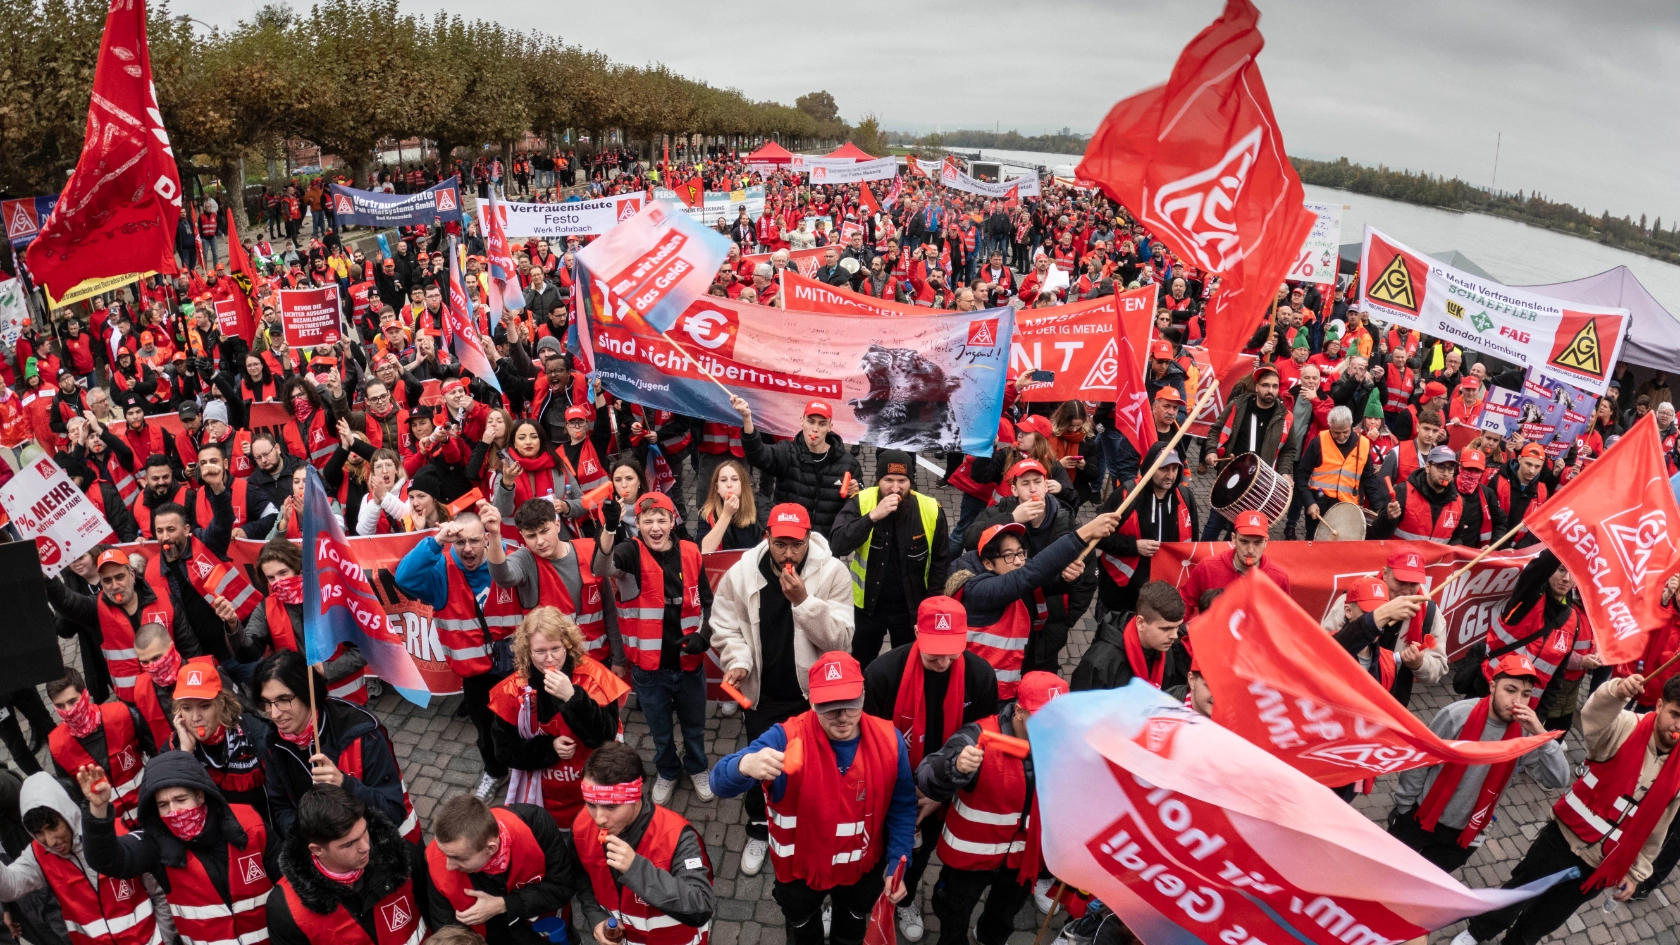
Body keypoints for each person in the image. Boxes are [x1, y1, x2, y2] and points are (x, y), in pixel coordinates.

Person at [1454, 674, 1680, 945]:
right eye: (1675, 714)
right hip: (1562, 839)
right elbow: (1594, 718)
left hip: (1600, 865)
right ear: (1658, 706)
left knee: (1545, 920)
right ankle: (1477, 933)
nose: (1678, 726)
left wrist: (1635, 873)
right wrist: (1615, 691)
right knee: (1518, 893)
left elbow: (1658, 827)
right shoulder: (1627, 726)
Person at [708, 652, 916, 945]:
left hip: (860, 873)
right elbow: (718, 783)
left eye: (850, 703)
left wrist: (898, 863)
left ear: (863, 694)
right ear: (811, 701)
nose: (842, 715)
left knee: (850, 935)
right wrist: (743, 766)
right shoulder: (784, 738)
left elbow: (903, 806)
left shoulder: (890, 740)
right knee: (804, 935)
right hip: (799, 878)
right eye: (829, 706)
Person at [709, 500, 853, 874]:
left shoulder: (834, 573)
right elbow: (724, 626)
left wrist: (804, 602)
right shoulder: (741, 574)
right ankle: (759, 828)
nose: (789, 553)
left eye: (797, 544)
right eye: (780, 543)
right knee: (765, 766)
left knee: (815, 764)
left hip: (814, 698)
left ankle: (809, 822)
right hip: (764, 695)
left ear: (809, 538)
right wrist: (738, 662)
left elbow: (841, 643)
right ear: (767, 537)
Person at [859, 596, 997, 943]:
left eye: (953, 650)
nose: (944, 660)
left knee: (920, 851)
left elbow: (984, 744)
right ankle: (857, 900)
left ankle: (906, 894)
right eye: (934, 650)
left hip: (942, 793)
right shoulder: (882, 674)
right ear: (917, 631)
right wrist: (900, 799)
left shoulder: (980, 677)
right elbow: (866, 746)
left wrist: (939, 796)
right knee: (868, 848)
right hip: (887, 787)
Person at [916, 672, 1066, 945]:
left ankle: (988, 938)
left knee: (1003, 916)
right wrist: (955, 767)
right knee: (954, 916)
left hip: (1022, 861)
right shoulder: (977, 735)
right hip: (969, 861)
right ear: (1020, 711)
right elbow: (926, 775)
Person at [1388, 655, 1568, 874]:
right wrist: (1405, 806)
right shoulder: (1457, 715)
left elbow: (1557, 779)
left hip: (1464, 834)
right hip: (1420, 816)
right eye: (1510, 690)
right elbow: (1421, 760)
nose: (1518, 702)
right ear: (1492, 686)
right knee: (1388, 870)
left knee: (1423, 884)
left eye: (1526, 694)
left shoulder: (1524, 735)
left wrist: (1541, 735)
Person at [79, 752, 279, 945]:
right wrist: (98, 810)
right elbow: (106, 859)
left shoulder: (250, 825)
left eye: (181, 800)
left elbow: (287, 882)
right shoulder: (155, 844)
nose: (173, 812)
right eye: (163, 804)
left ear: (200, 796)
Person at [594, 493, 713, 807]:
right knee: (660, 732)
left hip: (690, 664)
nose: (655, 526)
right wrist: (608, 528)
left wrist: (706, 634)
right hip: (649, 671)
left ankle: (698, 767)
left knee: (694, 727)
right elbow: (601, 566)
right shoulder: (630, 552)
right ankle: (668, 771)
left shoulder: (690, 551)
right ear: (638, 524)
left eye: (662, 519)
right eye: (648, 520)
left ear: (674, 521)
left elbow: (709, 602)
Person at [395, 506, 519, 798]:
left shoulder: (509, 559)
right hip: (476, 676)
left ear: (487, 539)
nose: (467, 548)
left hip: (516, 668)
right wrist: (437, 541)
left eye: (474, 541)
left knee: (524, 725)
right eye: (460, 542)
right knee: (486, 733)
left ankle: (526, 773)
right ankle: (495, 772)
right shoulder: (442, 572)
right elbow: (405, 578)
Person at [254, 650, 422, 843]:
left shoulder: (362, 734)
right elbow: (281, 806)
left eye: (284, 700)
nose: (274, 714)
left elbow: (393, 811)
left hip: (377, 849)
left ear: (307, 693)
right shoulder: (274, 743)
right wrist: (310, 838)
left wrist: (345, 784)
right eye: (267, 703)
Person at [949, 512, 1120, 699]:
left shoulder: (1013, 567)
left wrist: (1064, 578)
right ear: (988, 564)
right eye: (1008, 555)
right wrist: (1083, 534)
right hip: (981, 687)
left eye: (1020, 552)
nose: (1018, 561)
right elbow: (1029, 576)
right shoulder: (977, 590)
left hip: (1013, 674)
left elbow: (1041, 579)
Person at [487, 608, 622, 830]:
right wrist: (549, 748)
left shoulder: (595, 678)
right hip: (543, 801)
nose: (550, 658)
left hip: (594, 796)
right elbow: (504, 750)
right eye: (540, 651)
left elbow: (605, 737)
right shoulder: (513, 690)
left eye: (556, 649)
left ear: (567, 644)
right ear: (527, 652)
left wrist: (572, 697)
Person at [0, 772, 172, 945]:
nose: (50, 841)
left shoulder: (119, 833)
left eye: (53, 827)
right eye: (39, 833)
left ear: (66, 812)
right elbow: (10, 887)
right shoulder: (38, 855)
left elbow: (160, 894)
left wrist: (166, 938)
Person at [572, 742, 716, 945]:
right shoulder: (581, 826)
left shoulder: (678, 837)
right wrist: (596, 917)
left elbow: (700, 906)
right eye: (590, 804)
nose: (599, 818)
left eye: (611, 806)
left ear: (635, 797)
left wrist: (636, 869)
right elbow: (583, 878)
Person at [962, 460, 1095, 675]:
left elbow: (1087, 577)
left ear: (1046, 485)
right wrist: (1012, 518)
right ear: (1014, 489)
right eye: (1025, 483)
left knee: (1039, 683)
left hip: (1049, 625)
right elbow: (968, 539)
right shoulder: (1002, 511)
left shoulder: (1067, 521)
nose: (1032, 488)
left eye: (1037, 482)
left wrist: (1067, 617)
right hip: (1007, 618)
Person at [827, 450, 950, 663]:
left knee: (906, 666)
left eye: (902, 480)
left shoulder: (930, 509)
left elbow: (940, 561)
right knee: (861, 663)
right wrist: (873, 516)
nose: (895, 488)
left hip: (909, 610)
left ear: (910, 481)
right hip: (868, 608)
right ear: (878, 480)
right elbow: (837, 545)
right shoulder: (862, 502)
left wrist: (929, 609)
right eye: (888, 480)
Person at [268, 786, 431, 945]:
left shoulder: (402, 856)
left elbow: (433, 914)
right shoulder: (286, 909)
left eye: (364, 831)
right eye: (349, 844)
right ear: (317, 850)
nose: (365, 847)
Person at [424, 795, 578, 945]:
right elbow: (447, 932)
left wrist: (504, 905)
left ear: (491, 848)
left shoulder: (535, 825)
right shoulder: (437, 864)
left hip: (548, 933)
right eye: (444, 853)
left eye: (459, 858)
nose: (448, 866)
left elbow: (563, 886)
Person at [483, 499, 616, 669]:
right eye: (531, 536)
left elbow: (609, 610)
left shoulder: (589, 549)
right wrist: (494, 535)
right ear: (522, 535)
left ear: (557, 524)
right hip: (551, 669)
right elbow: (504, 577)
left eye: (544, 531)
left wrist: (618, 658)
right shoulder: (525, 559)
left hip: (597, 663)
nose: (539, 541)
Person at [1090, 444, 1196, 620]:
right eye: (1163, 469)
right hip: (1122, 594)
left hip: (1162, 596)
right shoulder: (1126, 495)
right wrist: (1133, 546)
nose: (1170, 475)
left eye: (1174, 468)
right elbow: (1097, 537)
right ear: (1149, 467)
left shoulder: (1186, 497)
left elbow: (1192, 547)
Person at [732, 396, 862, 537]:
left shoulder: (849, 464)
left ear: (830, 427)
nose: (815, 429)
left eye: (822, 424)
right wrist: (747, 419)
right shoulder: (787, 452)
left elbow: (857, 509)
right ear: (802, 421)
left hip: (824, 548)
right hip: (789, 542)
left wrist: (856, 491)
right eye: (810, 422)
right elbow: (757, 455)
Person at [44, 668, 157, 826]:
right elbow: (75, 798)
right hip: (114, 827)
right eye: (60, 706)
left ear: (85, 695)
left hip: (152, 808)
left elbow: (154, 752)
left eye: (72, 701)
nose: (68, 711)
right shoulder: (57, 746)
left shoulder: (122, 714)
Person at [169, 656, 275, 816]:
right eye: (187, 708)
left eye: (204, 706)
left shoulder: (254, 731)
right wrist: (185, 754)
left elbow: (280, 796)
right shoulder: (173, 746)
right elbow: (177, 807)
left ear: (221, 703)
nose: (195, 717)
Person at [1200, 365, 1292, 539]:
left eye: (1274, 386)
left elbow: (1288, 450)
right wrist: (1211, 451)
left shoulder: (1285, 417)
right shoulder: (1239, 405)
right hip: (1230, 475)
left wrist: (1285, 472)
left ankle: (1229, 559)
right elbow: (1216, 430)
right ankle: (1199, 560)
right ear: (1257, 386)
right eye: (1265, 385)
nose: (1270, 390)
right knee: (1214, 524)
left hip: (1259, 483)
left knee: (1241, 529)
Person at [1070, 582, 1188, 693]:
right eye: (1166, 629)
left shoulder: (1169, 647)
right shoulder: (1098, 663)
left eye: (1177, 627)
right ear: (1141, 623)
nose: (1174, 635)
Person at [1177, 511, 1288, 621]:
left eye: (1257, 543)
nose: (1250, 550)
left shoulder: (1279, 577)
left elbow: (1282, 618)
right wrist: (1175, 628)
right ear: (1234, 539)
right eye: (1244, 542)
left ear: (1266, 542)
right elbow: (1185, 601)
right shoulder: (1207, 567)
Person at [1294, 405, 1384, 530]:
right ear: (1329, 425)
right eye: (1336, 432)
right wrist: (1309, 503)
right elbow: (1300, 476)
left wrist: (1379, 507)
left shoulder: (1363, 444)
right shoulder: (1318, 442)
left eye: (1345, 432)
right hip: (1319, 508)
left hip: (1347, 510)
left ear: (1351, 425)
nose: (1341, 437)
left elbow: (1369, 480)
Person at [696, 459, 764, 553]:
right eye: (723, 480)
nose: (729, 484)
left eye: (735, 479)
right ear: (717, 488)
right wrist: (726, 515)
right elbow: (703, 551)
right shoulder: (707, 513)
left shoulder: (760, 505)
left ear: (743, 485)